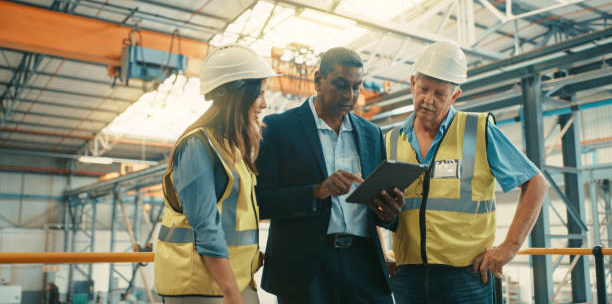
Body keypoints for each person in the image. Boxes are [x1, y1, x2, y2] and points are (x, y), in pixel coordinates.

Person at [386, 41, 549, 303]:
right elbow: (372, 201)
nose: (428, 99)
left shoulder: (478, 130)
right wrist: (382, 251)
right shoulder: (391, 141)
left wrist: (509, 248)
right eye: (424, 89)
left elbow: (536, 184)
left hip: (466, 277)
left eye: (439, 94)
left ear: (455, 96)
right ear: (412, 83)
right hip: (407, 276)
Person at [256, 47, 404, 304]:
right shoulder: (278, 129)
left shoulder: (371, 134)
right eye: (340, 84)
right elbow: (261, 201)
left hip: (363, 264)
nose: (350, 95)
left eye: (356, 87)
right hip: (305, 268)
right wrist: (317, 191)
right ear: (317, 81)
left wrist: (389, 212)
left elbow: (379, 209)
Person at [154, 44, 277, 304]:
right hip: (201, 285)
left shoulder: (230, 147)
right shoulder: (196, 145)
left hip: (232, 280)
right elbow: (206, 226)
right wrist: (231, 292)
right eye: (260, 93)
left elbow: (234, 219)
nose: (265, 103)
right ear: (238, 93)